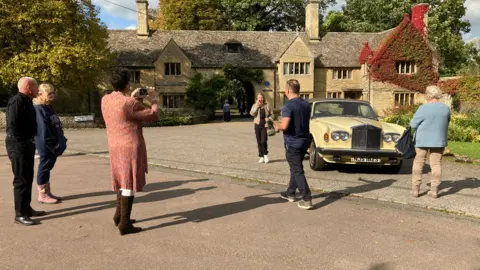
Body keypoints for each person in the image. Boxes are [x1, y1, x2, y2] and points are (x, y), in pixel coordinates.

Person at [101, 68, 159, 235]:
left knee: (121, 179)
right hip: (129, 146)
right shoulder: (129, 103)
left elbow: (122, 112)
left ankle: (118, 216)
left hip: (114, 145)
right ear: (127, 84)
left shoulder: (105, 99)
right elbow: (153, 115)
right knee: (129, 182)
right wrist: (153, 99)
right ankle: (124, 224)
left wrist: (131, 97)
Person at [5, 77, 47, 226]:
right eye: (36, 87)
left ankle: (26, 208)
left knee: (28, 177)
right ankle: (20, 214)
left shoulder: (28, 101)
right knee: (21, 179)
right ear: (28, 87)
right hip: (18, 145)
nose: (38, 90)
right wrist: (23, 142)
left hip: (27, 144)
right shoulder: (16, 101)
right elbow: (13, 125)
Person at [275, 79, 313, 210]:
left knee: (297, 170)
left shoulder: (288, 105)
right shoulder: (306, 104)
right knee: (295, 167)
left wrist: (277, 127)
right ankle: (290, 193)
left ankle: (306, 198)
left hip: (293, 143)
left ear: (287, 91)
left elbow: (284, 125)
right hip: (305, 141)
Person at [410, 85, 451, 198]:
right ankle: (434, 190)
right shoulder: (445, 108)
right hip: (439, 140)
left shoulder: (423, 108)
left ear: (427, 95)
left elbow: (413, 124)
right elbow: (447, 122)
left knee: (419, 163)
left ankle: (415, 189)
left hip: (422, 140)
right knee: (436, 164)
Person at [33, 83, 67, 204]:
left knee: (47, 168)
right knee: (44, 167)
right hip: (47, 145)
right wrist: (54, 145)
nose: (53, 95)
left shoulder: (47, 106)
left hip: (53, 144)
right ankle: (42, 195)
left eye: (53, 93)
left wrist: (62, 140)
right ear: (40, 94)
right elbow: (43, 131)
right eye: (49, 93)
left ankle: (47, 192)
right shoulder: (39, 109)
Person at [250, 93, 273, 164]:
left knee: (263, 141)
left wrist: (268, 118)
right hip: (257, 126)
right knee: (259, 142)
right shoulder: (254, 105)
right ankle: (261, 156)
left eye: (261, 97)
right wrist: (257, 106)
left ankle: (265, 155)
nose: (260, 99)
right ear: (257, 99)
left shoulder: (266, 106)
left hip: (265, 126)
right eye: (259, 98)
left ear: (263, 98)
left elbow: (272, 114)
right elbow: (252, 114)